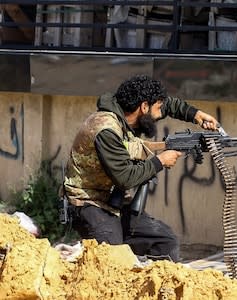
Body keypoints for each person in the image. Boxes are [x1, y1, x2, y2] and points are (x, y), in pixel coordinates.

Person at [62, 74, 219, 262]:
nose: (161, 113)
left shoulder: (127, 113)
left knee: (165, 243)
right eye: (157, 108)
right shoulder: (106, 130)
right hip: (88, 203)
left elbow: (167, 105)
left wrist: (197, 115)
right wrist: (159, 161)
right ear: (144, 107)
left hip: (115, 202)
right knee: (113, 259)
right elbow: (125, 178)